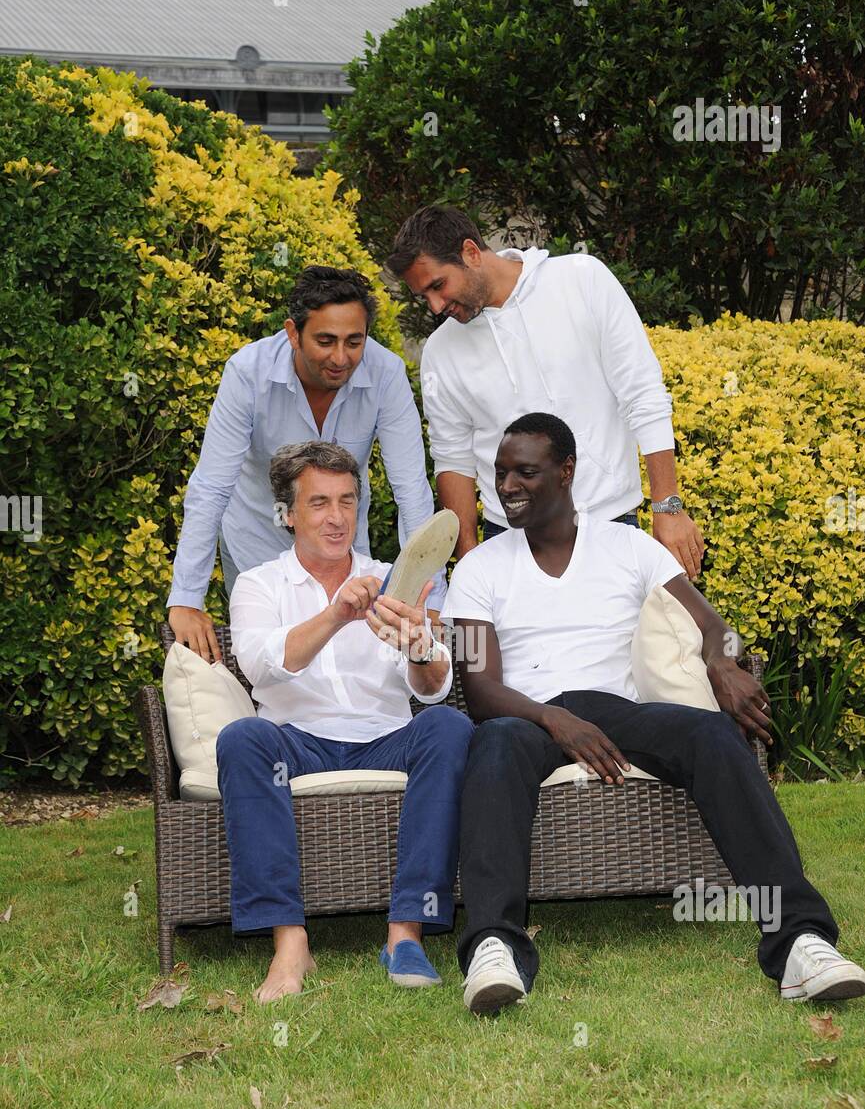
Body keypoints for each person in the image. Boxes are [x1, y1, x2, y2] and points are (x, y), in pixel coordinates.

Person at [440, 412, 865, 1015]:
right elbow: (480, 689)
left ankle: (800, 939)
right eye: (500, 473)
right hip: (528, 718)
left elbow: (716, 628)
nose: (507, 486)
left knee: (714, 736)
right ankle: (492, 946)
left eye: (525, 473)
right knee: (492, 743)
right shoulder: (480, 567)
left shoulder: (628, 546)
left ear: (566, 473)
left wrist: (721, 664)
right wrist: (555, 720)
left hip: (621, 711)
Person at [216, 440, 473, 1003]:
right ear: (287, 514)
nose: (336, 518)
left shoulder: (394, 578)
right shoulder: (259, 585)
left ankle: (404, 934)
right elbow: (264, 665)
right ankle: (290, 942)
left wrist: (418, 647)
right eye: (318, 503)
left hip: (384, 739)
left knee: (450, 729)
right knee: (241, 738)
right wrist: (338, 614)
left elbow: (434, 691)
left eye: (347, 501)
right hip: (295, 743)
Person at [387, 206, 704, 573]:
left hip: (610, 526)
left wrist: (668, 507)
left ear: (471, 253)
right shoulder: (440, 351)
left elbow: (643, 394)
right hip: (508, 541)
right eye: (423, 296)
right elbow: (453, 459)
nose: (436, 306)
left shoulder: (583, 280)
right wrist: (471, 558)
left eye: (438, 286)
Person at [168, 265, 447, 662]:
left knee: (350, 661)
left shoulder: (386, 374)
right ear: (293, 333)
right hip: (256, 540)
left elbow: (410, 489)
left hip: (343, 544)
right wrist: (186, 600)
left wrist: (431, 594)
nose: (340, 357)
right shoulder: (248, 372)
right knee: (276, 662)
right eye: (325, 341)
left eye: (354, 341)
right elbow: (212, 487)